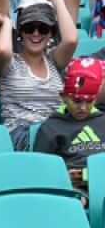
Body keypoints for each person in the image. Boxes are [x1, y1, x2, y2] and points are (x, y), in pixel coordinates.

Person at [0, 0, 79, 148]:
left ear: (51, 33)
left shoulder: (53, 61)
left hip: (56, 130)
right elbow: (1, 50)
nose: (36, 34)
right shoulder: (10, 63)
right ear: (21, 32)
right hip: (22, 134)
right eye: (29, 28)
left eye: (43, 28)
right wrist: (7, 24)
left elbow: (71, 40)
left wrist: (57, 0)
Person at [32, 56, 105, 203]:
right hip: (72, 186)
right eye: (77, 101)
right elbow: (40, 170)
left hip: (102, 177)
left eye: (89, 101)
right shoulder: (50, 128)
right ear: (63, 96)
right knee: (75, 201)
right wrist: (63, 175)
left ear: (96, 99)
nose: (83, 108)